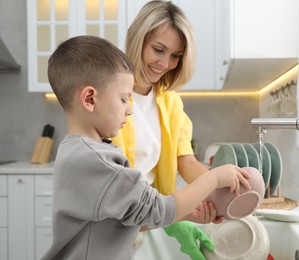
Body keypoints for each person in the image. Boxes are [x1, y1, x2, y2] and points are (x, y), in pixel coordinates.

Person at [41, 35, 250, 260]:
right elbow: (158, 210)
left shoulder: (83, 152)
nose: (129, 110)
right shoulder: (97, 161)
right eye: (123, 100)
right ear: (90, 99)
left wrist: (184, 215)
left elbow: (121, 220)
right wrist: (215, 178)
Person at [111, 1, 222, 258]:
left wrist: (222, 193)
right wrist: (173, 212)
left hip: (142, 224)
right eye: (158, 50)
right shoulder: (109, 94)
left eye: (175, 56)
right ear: (138, 39)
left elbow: (187, 163)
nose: (165, 63)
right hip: (110, 224)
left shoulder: (170, 102)